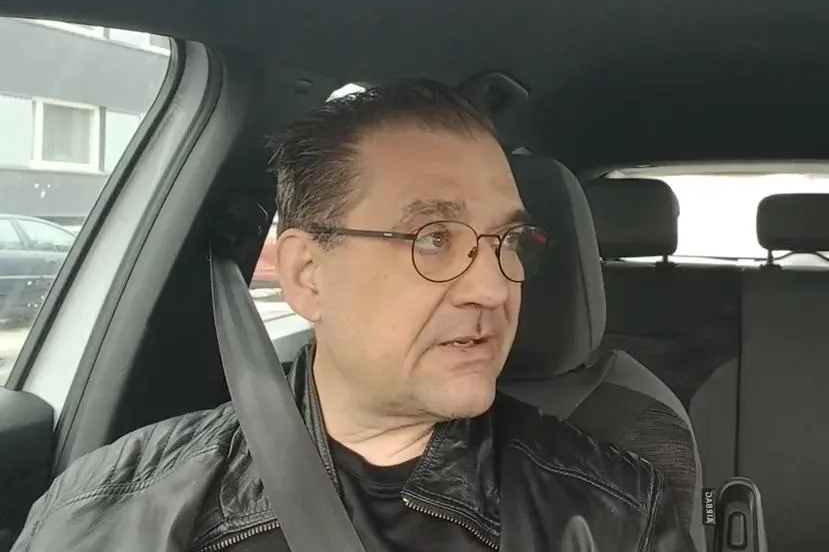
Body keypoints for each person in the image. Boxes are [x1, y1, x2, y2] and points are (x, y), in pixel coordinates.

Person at [13, 80, 692, 552]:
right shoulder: (114, 510)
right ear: (308, 274)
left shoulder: (613, 517)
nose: (493, 286)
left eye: (508, 241)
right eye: (434, 237)